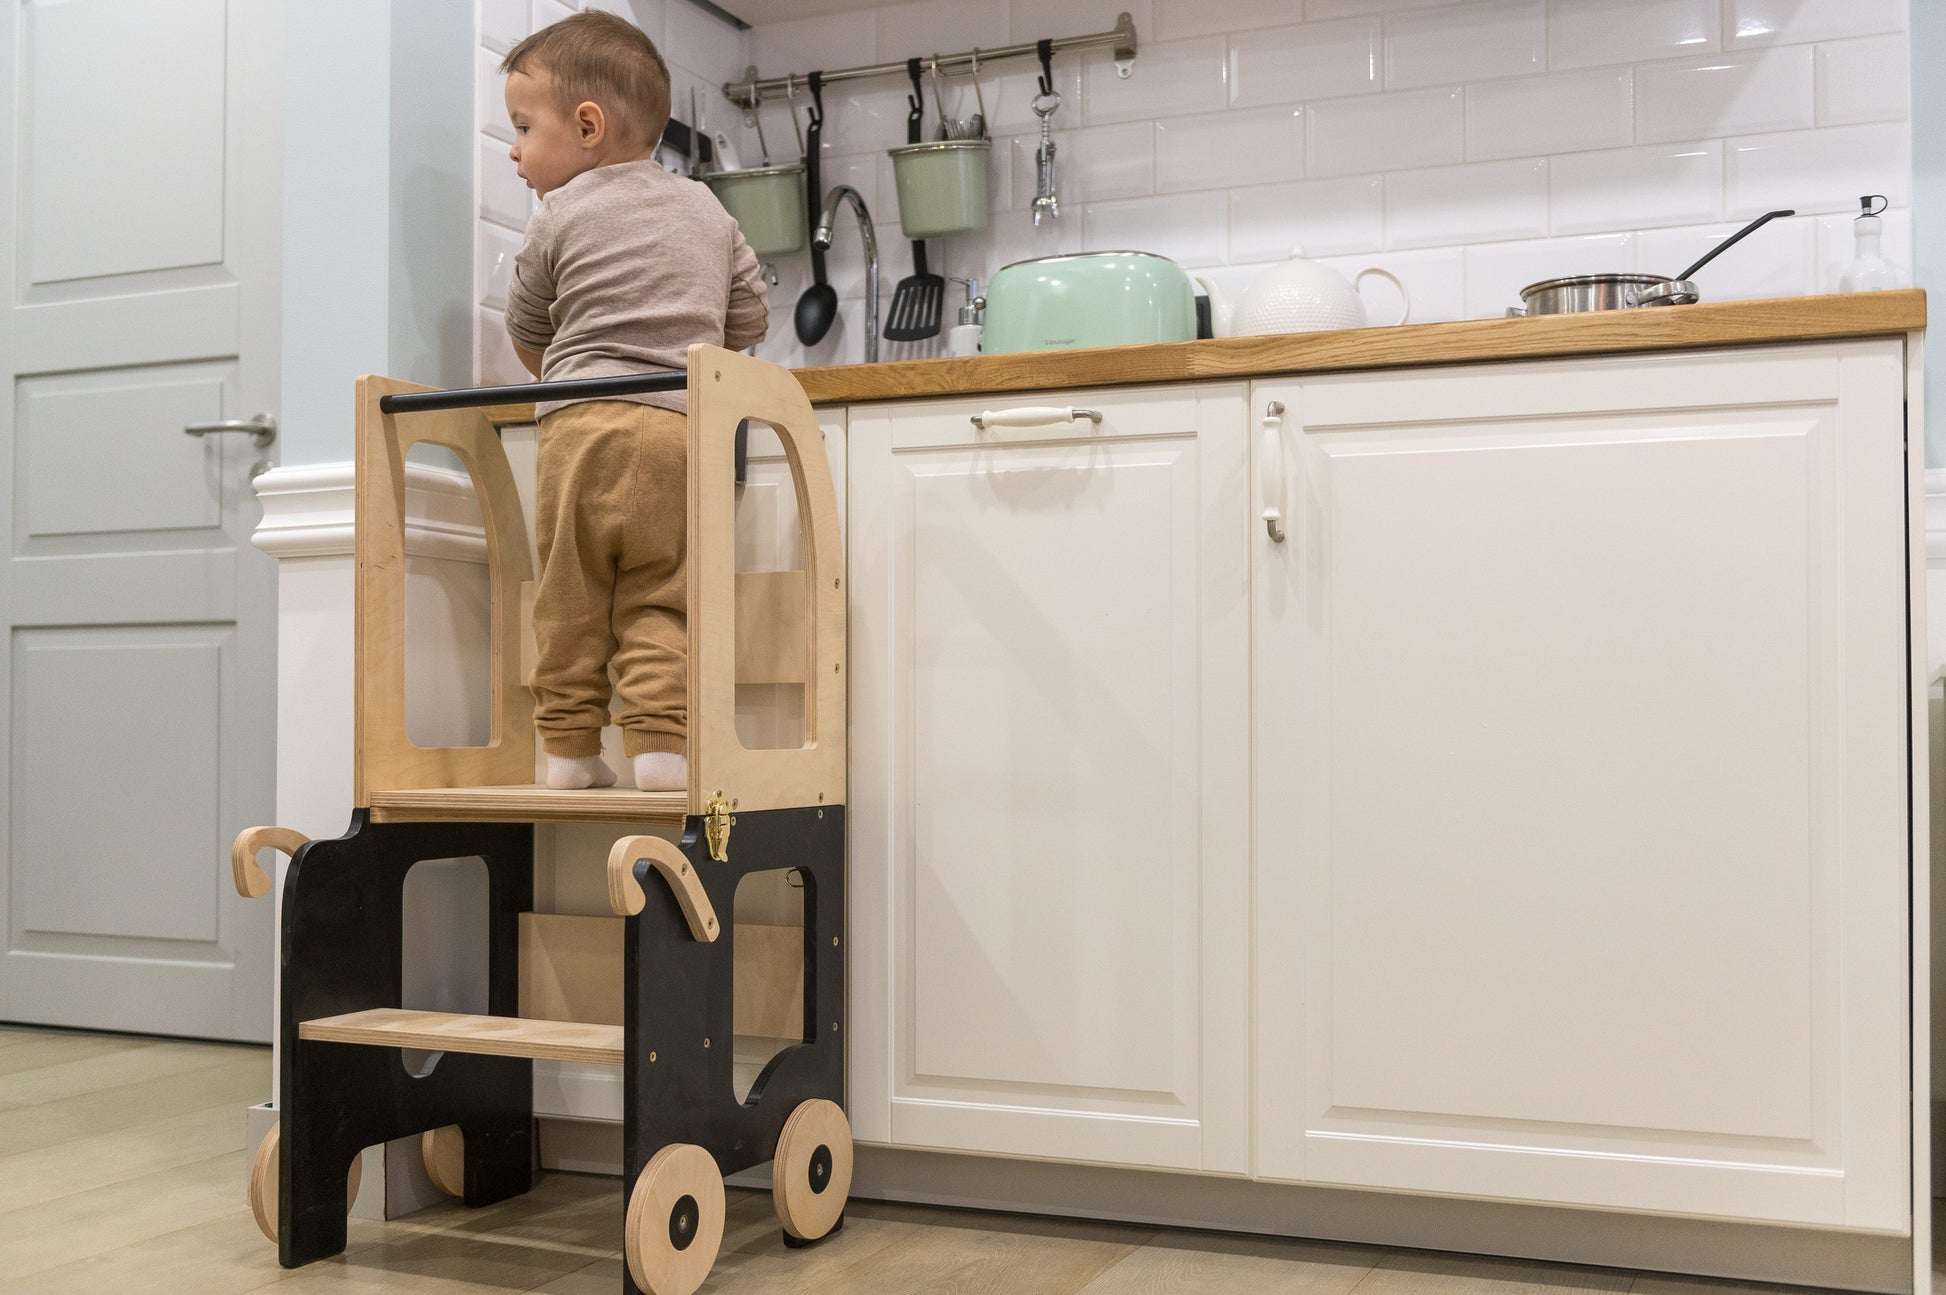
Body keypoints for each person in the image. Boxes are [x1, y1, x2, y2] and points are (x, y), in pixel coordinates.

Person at [501, 11, 767, 791]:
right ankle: (658, 750)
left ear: (587, 126)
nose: (514, 149)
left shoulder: (555, 214)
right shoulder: (708, 210)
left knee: (571, 595)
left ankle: (571, 752)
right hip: (681, 430)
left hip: (579, 433)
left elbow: (527, 335)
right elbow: (749, 319)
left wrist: (573, 366)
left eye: (522, 126)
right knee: (662, 596)